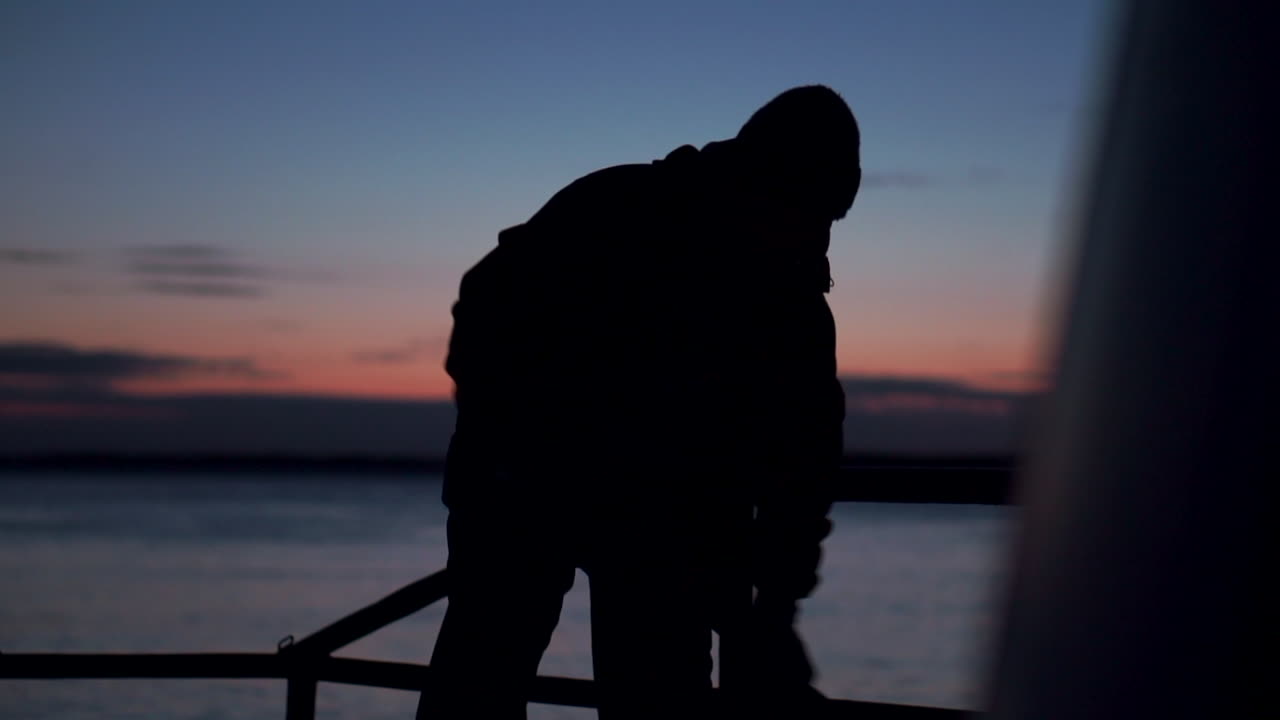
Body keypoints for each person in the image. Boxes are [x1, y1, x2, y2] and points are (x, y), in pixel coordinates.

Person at [418, 85, 861, 720]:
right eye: (802, 210)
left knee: (658, 696)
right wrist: (512, 441)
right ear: (757, 176)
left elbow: (808, 445)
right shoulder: (613, 208)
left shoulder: (790, 288)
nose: (810, 234)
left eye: (824, 218)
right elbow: (487, 313)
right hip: (523, 487)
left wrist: (777, 604)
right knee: (480, 682)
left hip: (659, 523)